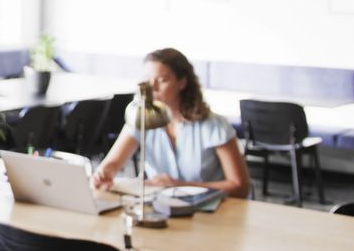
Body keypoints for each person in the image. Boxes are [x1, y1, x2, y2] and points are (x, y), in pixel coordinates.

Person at [92, 48, 250, 198]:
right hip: (160, 208)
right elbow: (112, 163)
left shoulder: (215, 126)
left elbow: (240, 186)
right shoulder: (142, 118)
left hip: (210, 213)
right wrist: (104, 173)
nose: (152, 87)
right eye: (148, 80)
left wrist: (180, 185)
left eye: (162, 80)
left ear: (182, 82)